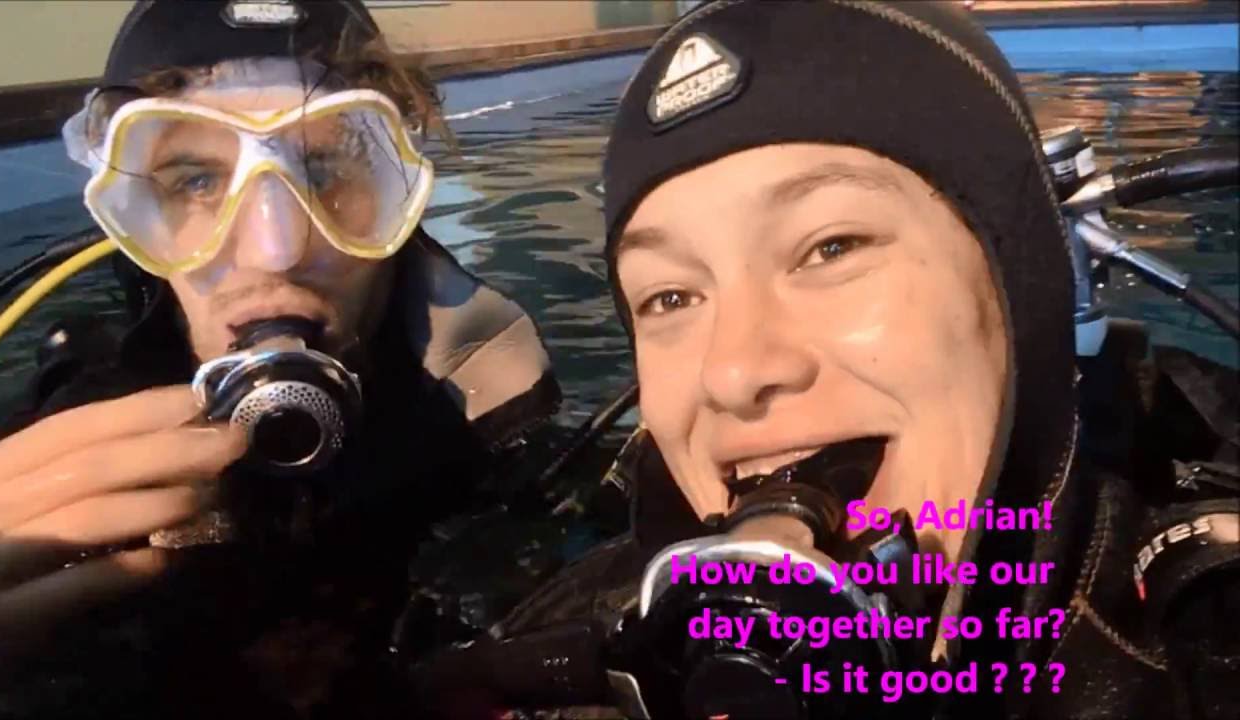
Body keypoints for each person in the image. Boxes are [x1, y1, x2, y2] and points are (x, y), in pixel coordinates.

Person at [409, 2, 1239, 719]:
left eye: (831, 247)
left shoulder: (1195, 637)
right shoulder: (584, 641)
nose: (734, 373)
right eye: (670, 296)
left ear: (1022, 292)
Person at [0, 0, 560, 717]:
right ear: (133, 214)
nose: (275, 251)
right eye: (196, 180)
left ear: (397, 198)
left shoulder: (493, 432)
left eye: (327, 168)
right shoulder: (60, 460)